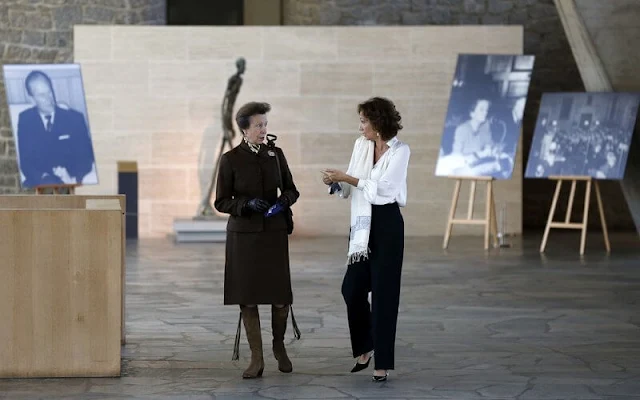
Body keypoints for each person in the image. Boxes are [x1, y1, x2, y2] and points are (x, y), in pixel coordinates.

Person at [322, 96, 411, 382]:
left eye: (363, 121)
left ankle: (381, 363)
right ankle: (365, 345)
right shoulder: (361, 145)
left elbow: (384, 190)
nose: (360, 127)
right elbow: (352, 186)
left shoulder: (400, 151)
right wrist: (336, 182)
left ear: (377, 122)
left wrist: (348, 178)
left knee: (385, 295)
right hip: (362, 226)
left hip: (387, 225)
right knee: (352, 289)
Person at [214, 101, 301, 379]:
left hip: (273, 233)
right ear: (244, 129)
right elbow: (221, 201)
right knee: (247, 298)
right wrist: (245, 204)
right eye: (258, 125)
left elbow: (291, 190)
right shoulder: (230, 159)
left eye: (265, 124)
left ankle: (278, 346)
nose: (264, 130)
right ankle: (257, 358)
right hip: (243, 238)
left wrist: (282, 203)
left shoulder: (276, 154)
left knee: (279, 297)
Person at [16, 70, 95, 188]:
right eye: (42, 95)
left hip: (70, 181)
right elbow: (25, 161)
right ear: (31, 99)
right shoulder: (25, 120)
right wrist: (43, 177)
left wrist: (72, 178)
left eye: (50, 92)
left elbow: (87, 157)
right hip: (39, 182)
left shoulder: (74, 119)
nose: (49, 99)